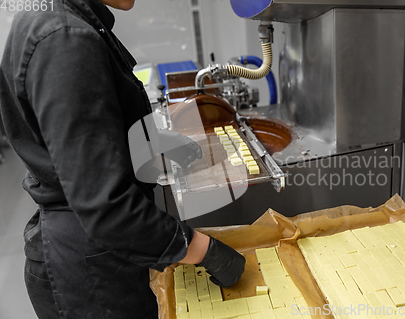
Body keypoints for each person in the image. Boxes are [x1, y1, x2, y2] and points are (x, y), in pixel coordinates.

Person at [0, 0, 246, 318]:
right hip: (90, 272)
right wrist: (205, 250)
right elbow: (104, 203)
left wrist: (156, 143)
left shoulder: (64, 19)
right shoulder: (64, 38)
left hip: (88, 246)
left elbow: (80, 137)